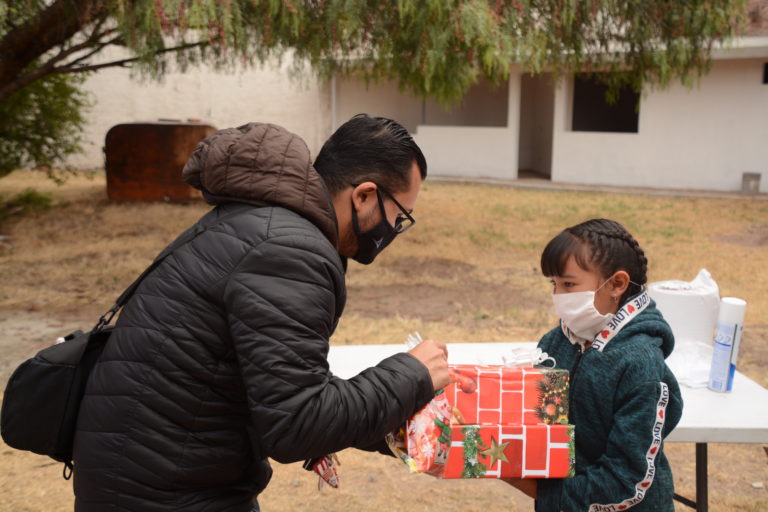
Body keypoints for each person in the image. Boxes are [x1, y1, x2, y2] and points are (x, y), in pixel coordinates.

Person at [72, 114, 451, 511]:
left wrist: (405, 421)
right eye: (400, 216)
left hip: (151, 474)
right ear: (364, 196)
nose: (395, 229)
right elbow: (298, 424)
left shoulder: (269, 225)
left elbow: (287, 384)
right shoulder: (289, 252)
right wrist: (413, 374)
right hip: (163, 493)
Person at [505, 218, 683, 512]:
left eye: (569, 284)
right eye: (555, 283)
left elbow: (624, 481)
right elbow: (543, 426)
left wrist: (516, 476)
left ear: (617, 284)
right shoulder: (557, 341)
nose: (557, 296)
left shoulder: (639, 363)